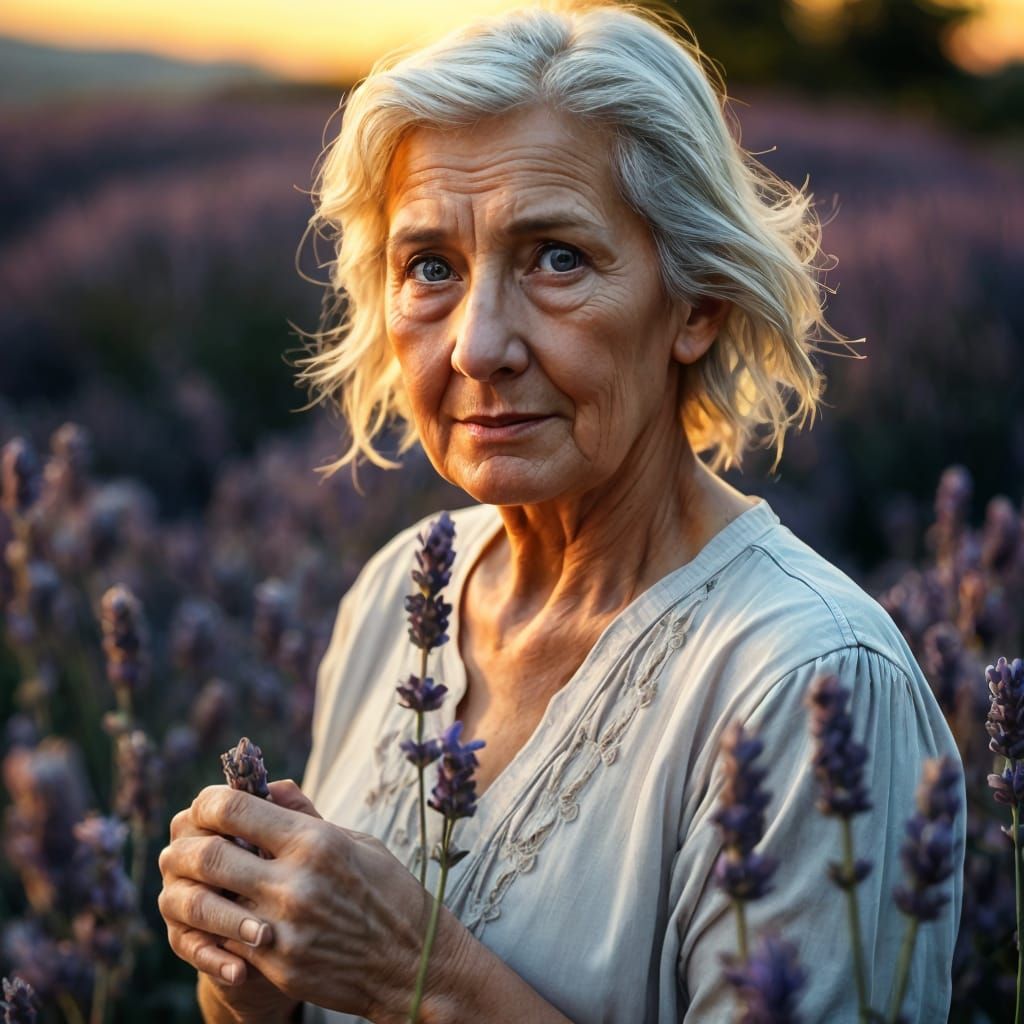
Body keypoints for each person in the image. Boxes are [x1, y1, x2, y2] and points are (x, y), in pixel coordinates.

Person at [156, 2, 964, 1021]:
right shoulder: (398, 594)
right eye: (431, 268)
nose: (476, 345)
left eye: (556, 259)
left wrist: (426, 977)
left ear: (696, 303)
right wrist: (250, 967)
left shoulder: (811, 688)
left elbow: (399, 978)